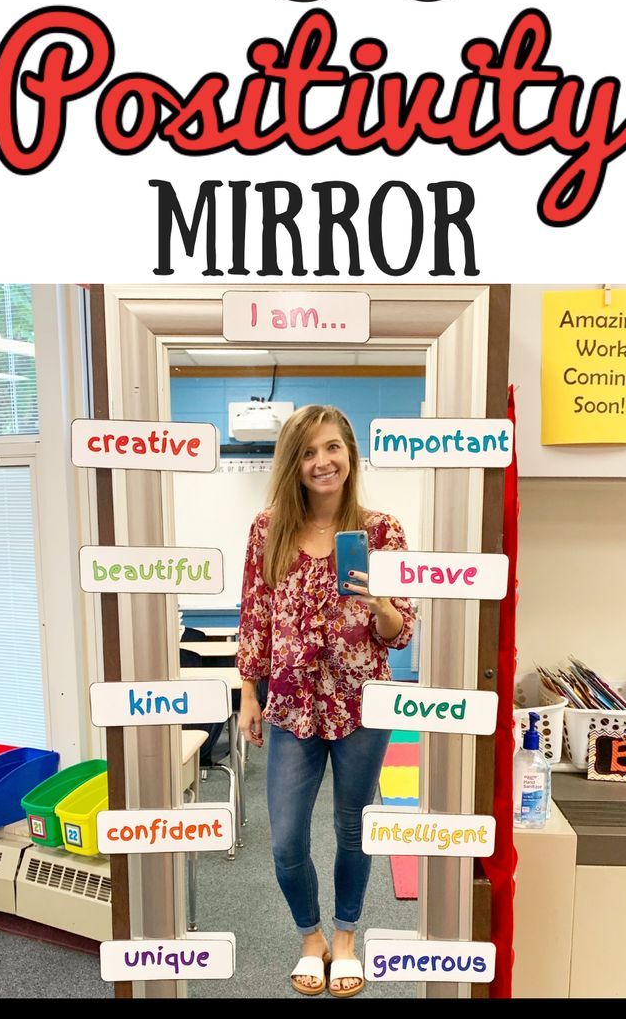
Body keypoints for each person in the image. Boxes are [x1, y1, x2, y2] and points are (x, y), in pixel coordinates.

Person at [236, 404, 415, 998]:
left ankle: (344, 937)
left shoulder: (382, 530)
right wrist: (248, 691)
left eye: (332, 448)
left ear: (350, 455)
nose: (322, 461)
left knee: (351, 828)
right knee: (286, 837)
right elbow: (255, 616)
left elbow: (400, 629)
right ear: (293, 462)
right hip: (291, 705)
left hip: (362, 703)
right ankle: (307, 936)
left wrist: (379, 607)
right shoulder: (269, 529)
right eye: (309, 452)